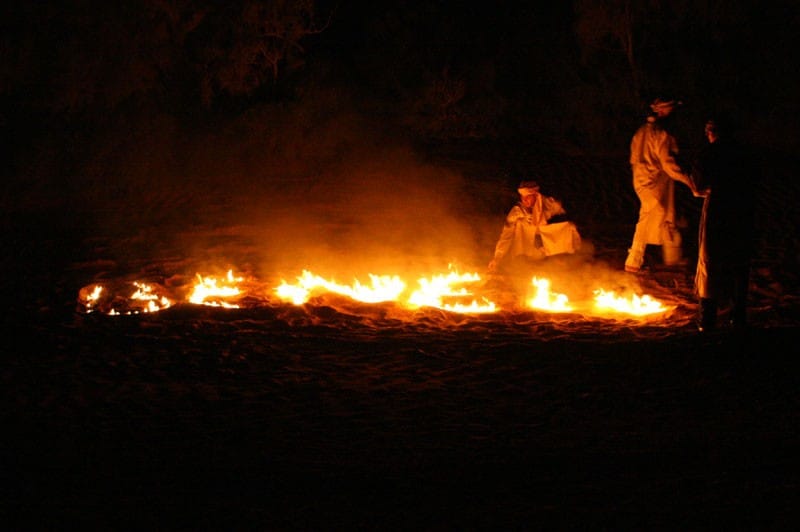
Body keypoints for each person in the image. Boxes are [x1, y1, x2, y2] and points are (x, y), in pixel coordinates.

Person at [691, 116, 755, 332]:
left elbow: (698, 185)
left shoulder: (708, 153)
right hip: (743, 210)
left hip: (718, 210)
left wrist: (707, 190)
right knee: (739, 261)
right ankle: (738, 316)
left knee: (710, 259)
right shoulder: (744, 153)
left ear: (711, 133)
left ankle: (707, 317)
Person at [624, 97, 697, 273]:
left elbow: (634, 159)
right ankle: (633, 261)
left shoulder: (640, 132)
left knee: (666, 214)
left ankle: (672, 257)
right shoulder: (662, 134)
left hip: (642, 179)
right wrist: (690, 182)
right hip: (654, 180)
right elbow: (669, 164)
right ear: (662, 111)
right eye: (671, 109)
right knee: (653, 215)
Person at [487, 180, 581, 273]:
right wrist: (497, 258)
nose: (524, 200)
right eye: (522, 197)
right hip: (526, 251)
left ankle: (564, 265)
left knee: (568, 227)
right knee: (520, 223)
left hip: (548, 249)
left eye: (528, 196)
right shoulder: (517, 212)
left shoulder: (549, 205)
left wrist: (570, 227)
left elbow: (565, 222)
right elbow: (506, 235)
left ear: (535, 195)